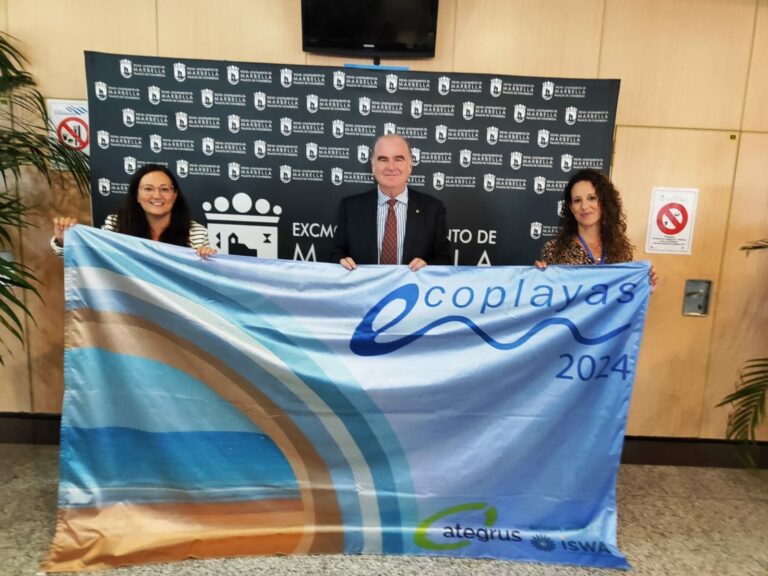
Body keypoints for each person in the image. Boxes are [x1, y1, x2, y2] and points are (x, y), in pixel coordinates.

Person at [331, 134, 451, 271]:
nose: (391, 167)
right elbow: (336, 254)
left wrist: (427, 267)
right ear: (373, 166)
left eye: (398, 159)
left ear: (409, 166)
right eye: (383, 159)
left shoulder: (433, 209)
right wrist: (341, 261)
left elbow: (444, 258)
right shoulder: (350, 207)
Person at [52, 164, 216, 258]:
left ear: (175, 195)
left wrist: (207, 259)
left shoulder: (196, 232)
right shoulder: (115, 225)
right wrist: (63, 241)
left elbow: (205, 279)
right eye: (148, 189)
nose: (157, 196)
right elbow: (92, 260)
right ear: (137, 195)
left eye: (165, 189)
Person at [535, 169, 658, 290]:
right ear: (571, 208)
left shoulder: (621, 249)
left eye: (591, 198)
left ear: (604, 202)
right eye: (577, 200)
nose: (584, 206)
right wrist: (537, 278)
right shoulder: (554, 249)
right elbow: (549, 295)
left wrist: (644, 287)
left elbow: (625, 293)